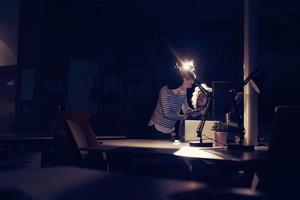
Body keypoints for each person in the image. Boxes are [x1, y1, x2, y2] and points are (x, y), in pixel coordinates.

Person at [148, 69, 202, 140]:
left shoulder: (183, 92)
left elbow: (185, 109)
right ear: (184, 79)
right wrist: (183, 117)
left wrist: (193, 112)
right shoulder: (165, 91)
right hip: (157, 129)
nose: (190, 87)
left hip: (170, 130)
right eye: (190, 84)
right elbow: (166, 113)